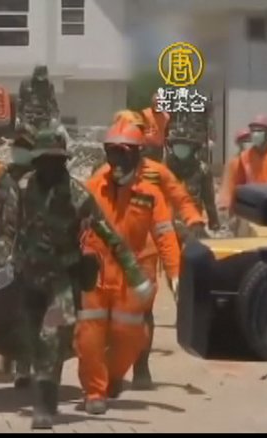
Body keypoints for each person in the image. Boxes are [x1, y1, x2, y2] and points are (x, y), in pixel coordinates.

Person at [14, 129, 152, 429]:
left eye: (56, 161)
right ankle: (45, 391)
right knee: (34, 343)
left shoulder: (78, 196)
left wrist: (135, 274)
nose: (50, 167)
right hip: (30, 277)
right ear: (36, 161)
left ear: (64, 162)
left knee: (51, 338)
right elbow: (13, 227)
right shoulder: (24, 187)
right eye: (44, 160)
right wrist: (4, 262)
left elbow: (110, 236)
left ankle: (44, 407)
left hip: (61, 281)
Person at [78, 121, 180, 415]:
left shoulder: (150, 194)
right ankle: (94, 392)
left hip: (132, 274)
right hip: (96, 271)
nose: (118, 159)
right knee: (90, 335)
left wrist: (175, 273)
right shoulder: (93, 187)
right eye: (112, 152)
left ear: (137, 155)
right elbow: (75, 226)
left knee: (132, 335)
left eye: (124, 152)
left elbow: (164, 234)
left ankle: (112, 378)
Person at [0, 124, 36, 387]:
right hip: (1, 249)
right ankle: (8, 354)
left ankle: (23, 365)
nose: (20, 150)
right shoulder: (1, 175)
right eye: (18, 145)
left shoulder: (41, 177)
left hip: (29, 253)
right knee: (3, 307)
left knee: (25, 310)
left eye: (26, 146)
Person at [165, 127, 221, 241]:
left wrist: (214, 222)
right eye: (177, 144)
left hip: (193, 225)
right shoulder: (163, 169)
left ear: (193, 148)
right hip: (167, 225)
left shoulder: (202, 170)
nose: (180, 148)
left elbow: (209, 201)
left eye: (184, 145)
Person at [218, 128, 251, 213]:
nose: (247, 143)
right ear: (238, 143)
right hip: (238, 203)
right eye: (243, 141)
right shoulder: (233, 162)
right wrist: (224, 203)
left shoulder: (260, 160)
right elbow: (227, 183)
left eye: (249, 140)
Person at [16, 65, 59, 131]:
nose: (42, 77)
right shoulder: (26, 83)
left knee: (44, 134)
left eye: (44, 75)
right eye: (41, 75)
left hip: (43, 116)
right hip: (28, 116)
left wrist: (54, 117)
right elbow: (20, 100)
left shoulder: (48, 84)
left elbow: (53, 101)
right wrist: (18, 116)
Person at [141, 92, 171, 162]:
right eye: (155, 101)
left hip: (158, 148)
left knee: (157, 166)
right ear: (152, 102)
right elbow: (140, 129)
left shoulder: (166, 117)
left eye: (159, 102)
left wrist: (166, 146)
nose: (157, 103)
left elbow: (166, 133)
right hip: (146, 147)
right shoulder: (144, 113)